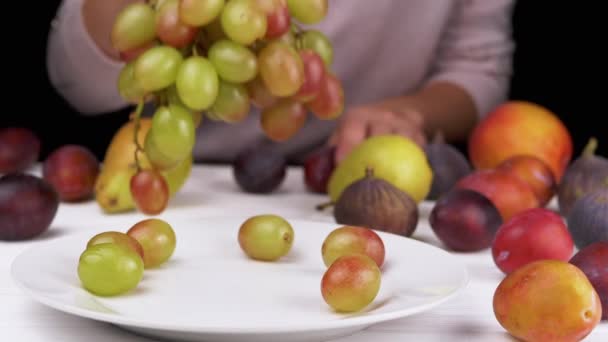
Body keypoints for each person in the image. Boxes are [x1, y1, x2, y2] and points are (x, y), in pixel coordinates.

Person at [46, 0, 516, 164]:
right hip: (187, 191)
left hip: (350, 184)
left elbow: (478, 66)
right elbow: (77, 85)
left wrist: (414, 112)